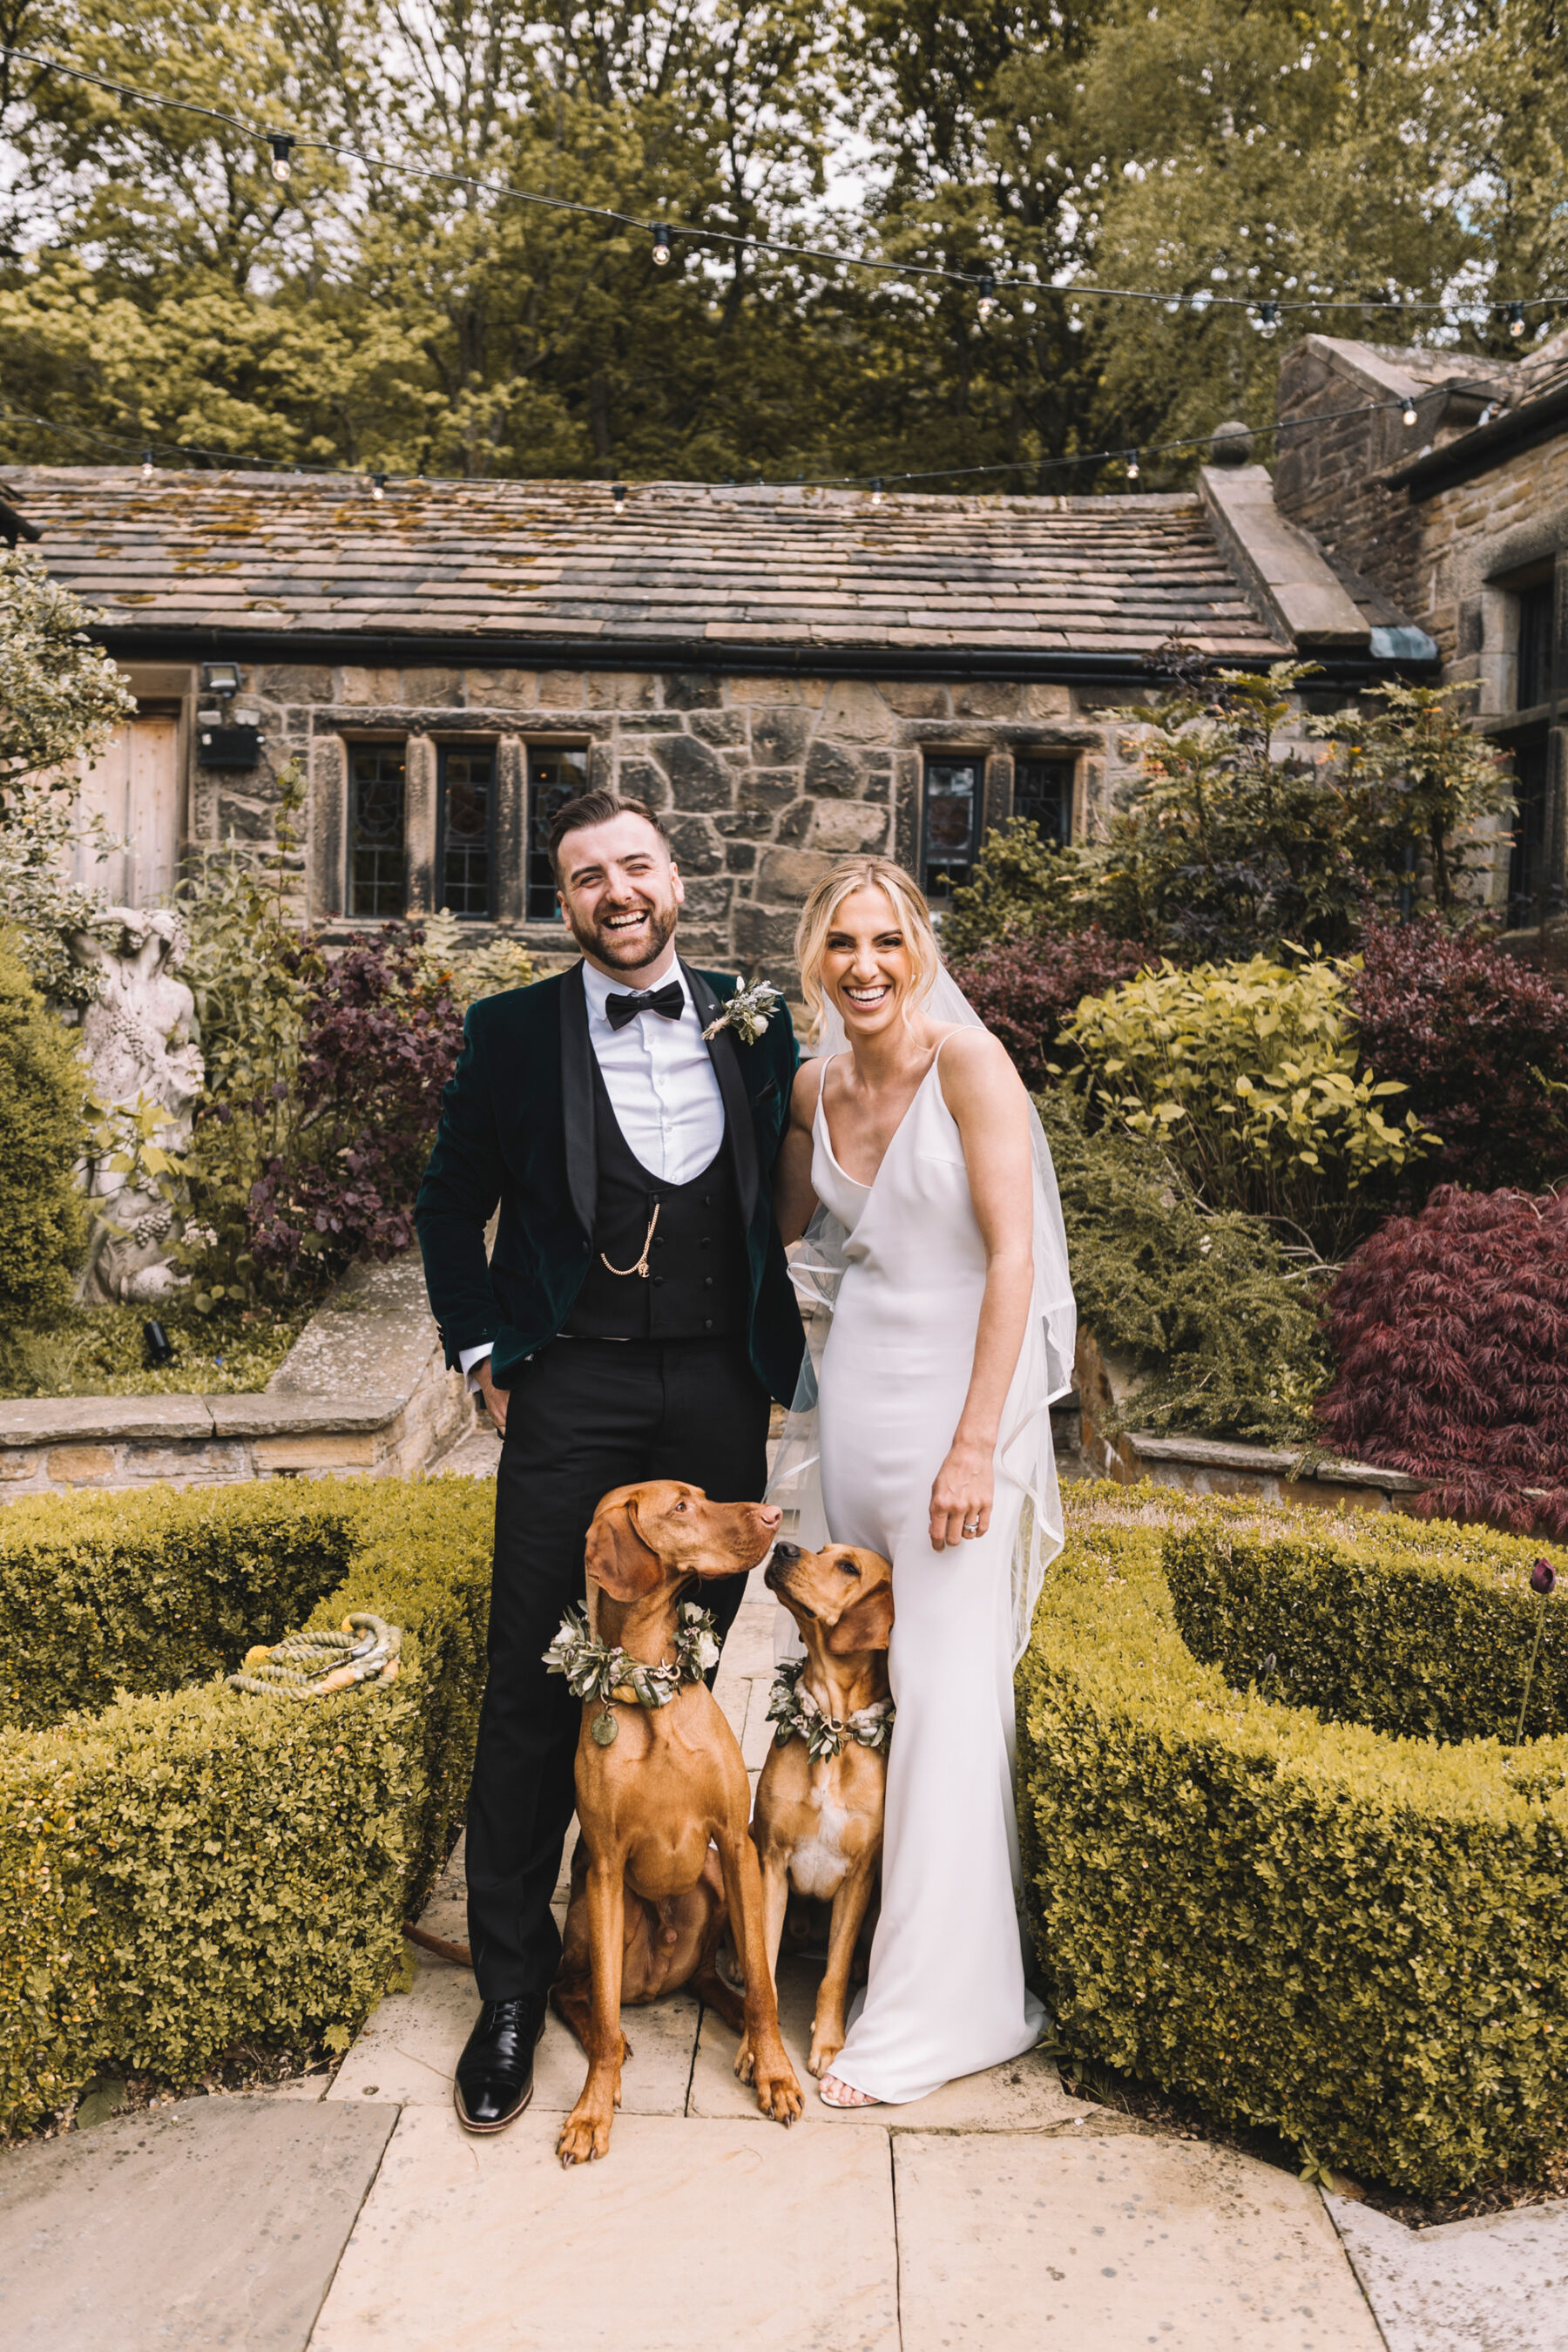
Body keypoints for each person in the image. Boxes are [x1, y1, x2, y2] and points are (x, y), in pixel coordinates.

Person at [416, 791, 805, 2134]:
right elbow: (446, 1200)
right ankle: (517, 1993)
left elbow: (805, 1169)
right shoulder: (510, 1032)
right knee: (536, 1681)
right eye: (587, 877)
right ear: (566, 902)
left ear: (677, 879)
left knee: (683, 1671)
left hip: (714, 1388)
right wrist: (480, 1353)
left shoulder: (756, 1017)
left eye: (635, 866)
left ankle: (678, 1934)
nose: (616, 892)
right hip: (567, 1381)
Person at [770, 854, 1075, 2107]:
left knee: (949, 1698)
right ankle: (842, 1934)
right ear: (815, 961)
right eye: (843, 944)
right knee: (869, 1688)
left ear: (920, 948)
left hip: (963, 1405)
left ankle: (940, 2009)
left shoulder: (968, 1065)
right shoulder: (812, 1086)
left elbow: (1014, 1262)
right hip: (859, 1402)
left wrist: (973, 1441)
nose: (867, 965)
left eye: (887, 940)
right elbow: (788, 1227)